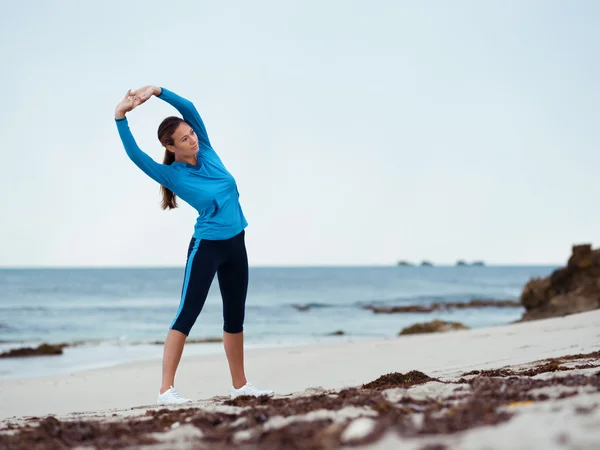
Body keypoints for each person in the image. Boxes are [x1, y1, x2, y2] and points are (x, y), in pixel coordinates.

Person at [114, 86, 274, 404]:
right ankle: (165, 391)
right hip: (207, 248)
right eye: (185, 138)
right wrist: (121, 116)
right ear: (171, 148)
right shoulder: (172, 175)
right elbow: (135, 155)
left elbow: (188, 107)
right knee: (188, 314)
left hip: (236, 244)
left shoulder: (208, 150)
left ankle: (240, 386)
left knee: (234, 316)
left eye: (191, 133)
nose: (193, 139)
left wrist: (156, 91)